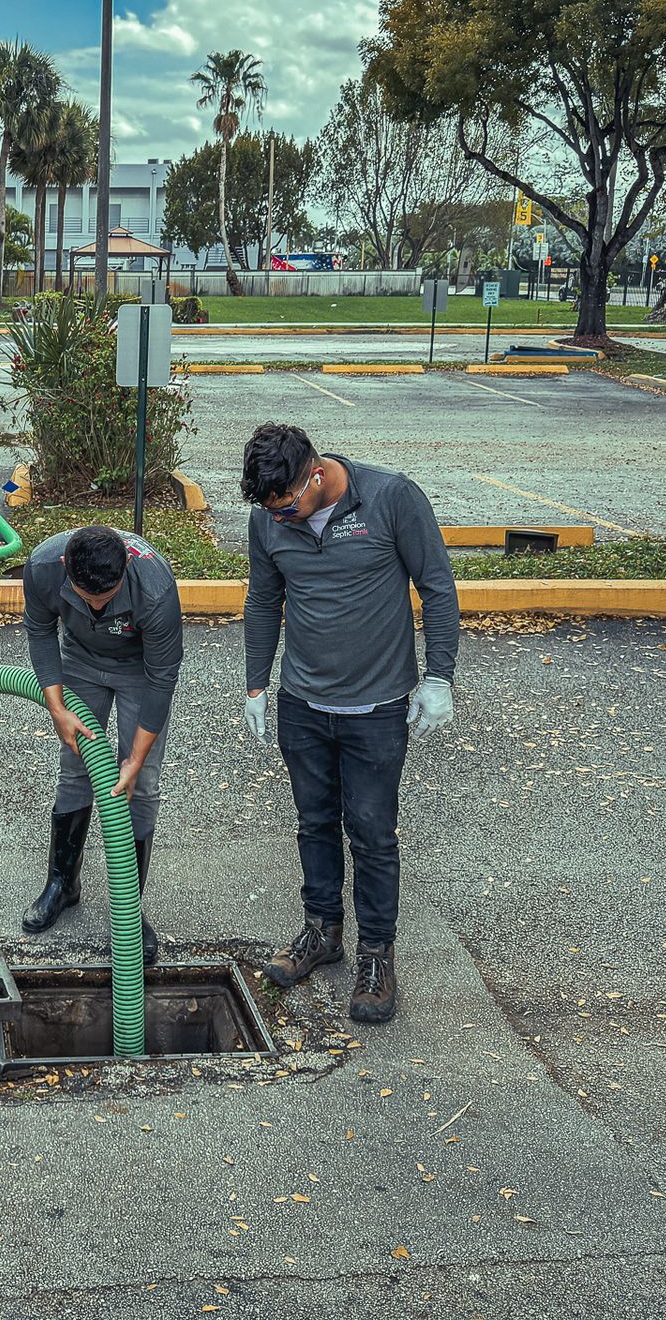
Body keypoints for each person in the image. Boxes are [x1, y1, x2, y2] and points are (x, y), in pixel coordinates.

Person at [239, 422, 459, 1023]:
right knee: (313, 822)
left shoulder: (390, 499)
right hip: (303, 705)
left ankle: (377, 954)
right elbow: (264, 598)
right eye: (268, 508)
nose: (277, 517)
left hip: (375, 709)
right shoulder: (269, 517)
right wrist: (258, 681)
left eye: (285, 504)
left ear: (315, 474)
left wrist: (439, 676)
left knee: (371, 832)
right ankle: (322, 932)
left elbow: (437, 588)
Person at [21, 524, 184, 963]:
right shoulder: (41, 566)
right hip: (81, 661)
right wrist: (56, 707)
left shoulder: (156, 589)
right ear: (65, 568)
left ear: (126, 567)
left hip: (140, 670)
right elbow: (40, 632)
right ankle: (62, 883)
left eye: (106, 598)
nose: (96, 605)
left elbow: (163, 677)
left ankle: (129, 912)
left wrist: (134, 757)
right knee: (75, 770)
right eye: (86, 596)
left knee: (141, 785)